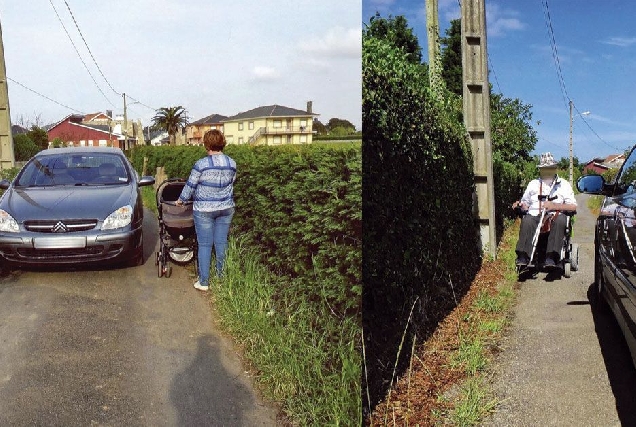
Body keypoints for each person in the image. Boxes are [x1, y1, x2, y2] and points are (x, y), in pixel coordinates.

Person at [176, 129, 237, 291]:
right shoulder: (232, 163)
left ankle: (204, 282)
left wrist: (181, 200)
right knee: (221, 243)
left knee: (205, 245)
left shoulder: (201, 164)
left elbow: (190, 185)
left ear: (206, 144)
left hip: (204, 209)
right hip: (226, 207)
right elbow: (231, 183)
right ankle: (222, 277)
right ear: (222, 142)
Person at [512, 152, 577, 268]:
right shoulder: (533, 184)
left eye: (550, 168)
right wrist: (520, 205)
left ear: (554, 168)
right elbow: (525, 203)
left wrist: (555, 206)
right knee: (527, 220)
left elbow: (573, 206)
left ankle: (552, 257)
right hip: (535, 214)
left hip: (554, 215)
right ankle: (523, 256)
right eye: (544, 168)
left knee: (561, 220)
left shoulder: (564, 185)